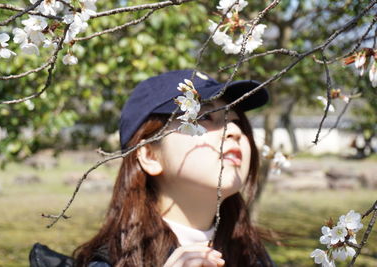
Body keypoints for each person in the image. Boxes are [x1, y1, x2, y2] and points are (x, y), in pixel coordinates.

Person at [72, 69, 274, 267]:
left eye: (235, 120)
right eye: (204, 117)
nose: (234, 131)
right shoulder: (111, 261)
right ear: (150, 155)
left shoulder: (252, 256)